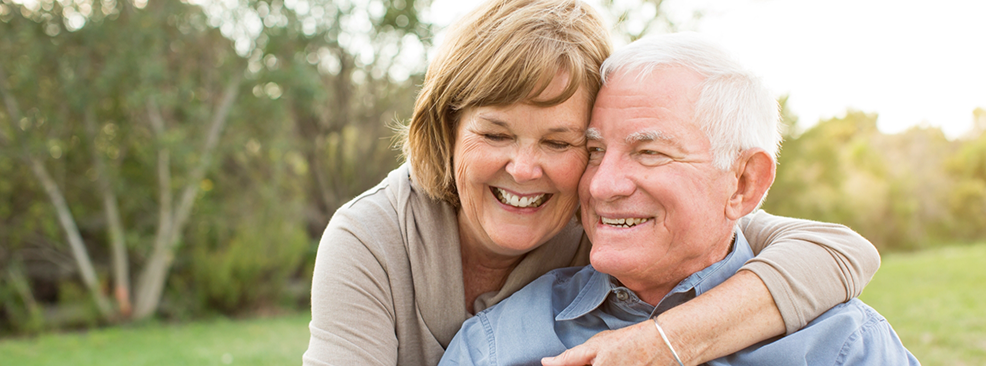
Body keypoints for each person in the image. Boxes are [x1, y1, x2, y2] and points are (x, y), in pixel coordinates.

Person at [302, 1, 882, 365]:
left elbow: (838, 249)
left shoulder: (602, 208)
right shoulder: (373, 237)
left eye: (562, 142)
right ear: (447, 131)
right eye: (496, 134)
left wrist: (661, 345)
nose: (526, 169)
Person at [439, 32, 918, 366]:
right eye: (594, 150)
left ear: (744, 183)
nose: (602, 185)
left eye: (649, 152)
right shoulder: (495, 345)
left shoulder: (845, 346)